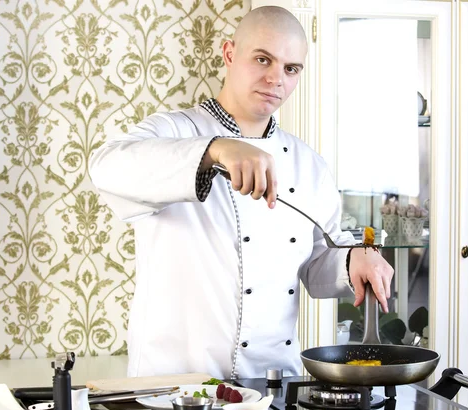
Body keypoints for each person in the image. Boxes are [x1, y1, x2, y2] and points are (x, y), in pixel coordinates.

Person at [89, 6, 394, 379]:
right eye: (262, 59)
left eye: (291, 69)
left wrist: (351, 262)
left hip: (271, 383)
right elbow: (106, 167)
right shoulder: (174, 131)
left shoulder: (307, 163)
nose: (275, 79)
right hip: (173, 385)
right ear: (230, 53)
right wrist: (214, 149)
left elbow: (317, 262)